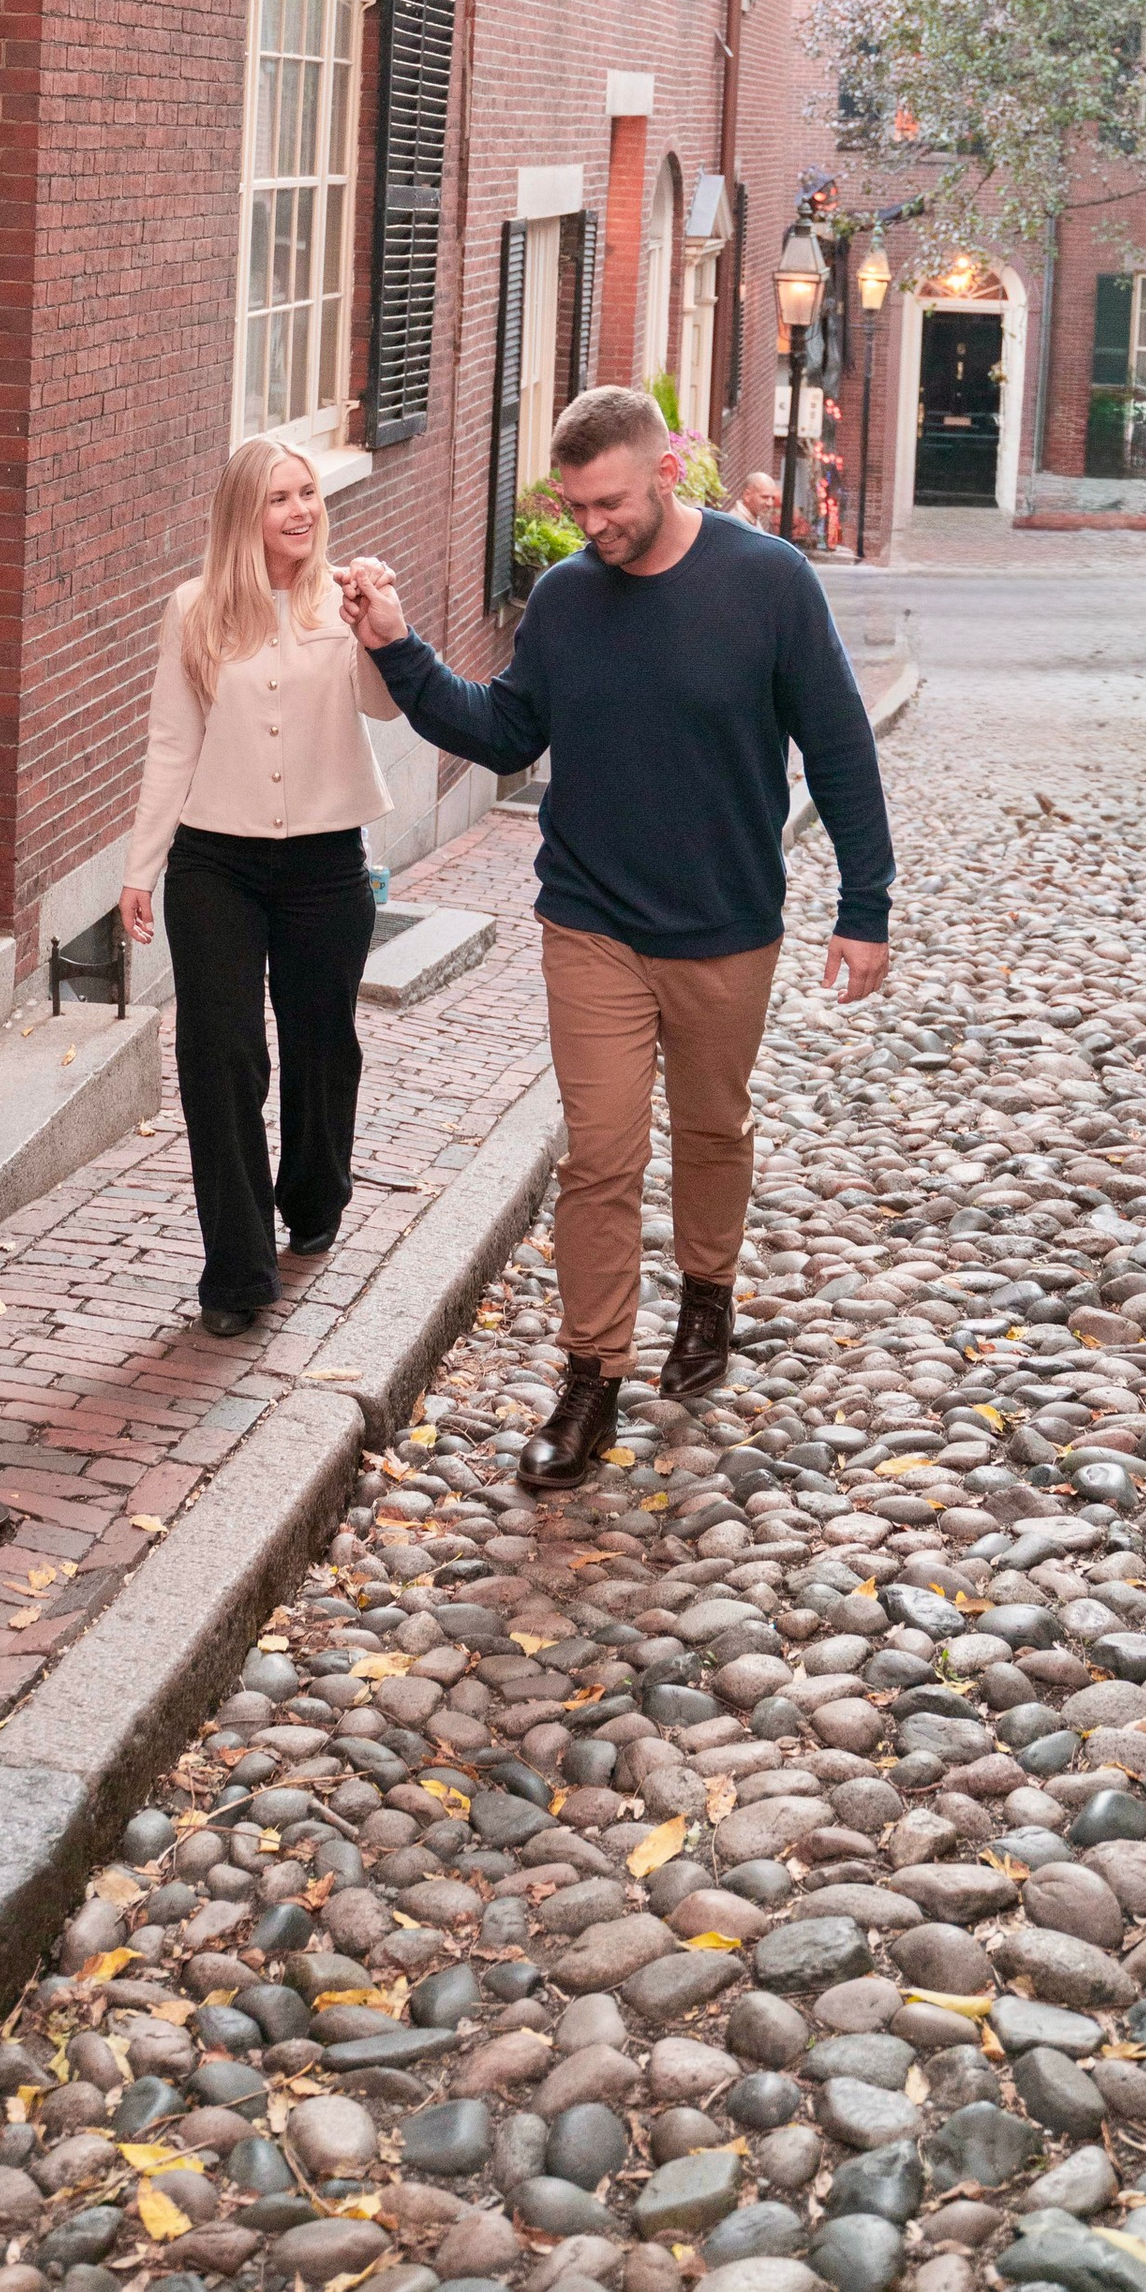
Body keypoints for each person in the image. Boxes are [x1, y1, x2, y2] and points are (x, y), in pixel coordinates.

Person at [339, 384, 894, 1490]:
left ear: (666, 474)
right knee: (599, 1156)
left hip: (726, 922)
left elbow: (838, 745)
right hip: (589, 919)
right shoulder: (564, 599)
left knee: (713, 1126)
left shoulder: (768, 581)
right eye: (576, 507)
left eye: (609, 504)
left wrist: (863, 906)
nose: (592, 525)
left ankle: (707, 1292)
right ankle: (590, 1378)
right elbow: (504, 732)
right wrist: (399, 651)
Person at [122, 439, 396, 1338]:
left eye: (308, 493)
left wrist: (378, 627)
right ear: (245, 513)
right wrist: (140, 868)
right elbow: (173, 742)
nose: (301, 510)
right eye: (280, 497)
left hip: (326, 863)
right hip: (216, 864)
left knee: (322, 1045)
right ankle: (237, 1270)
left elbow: (385, 705)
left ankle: (314, 1194)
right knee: (220, 1055)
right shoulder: (192, 609)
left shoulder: (343, 600)